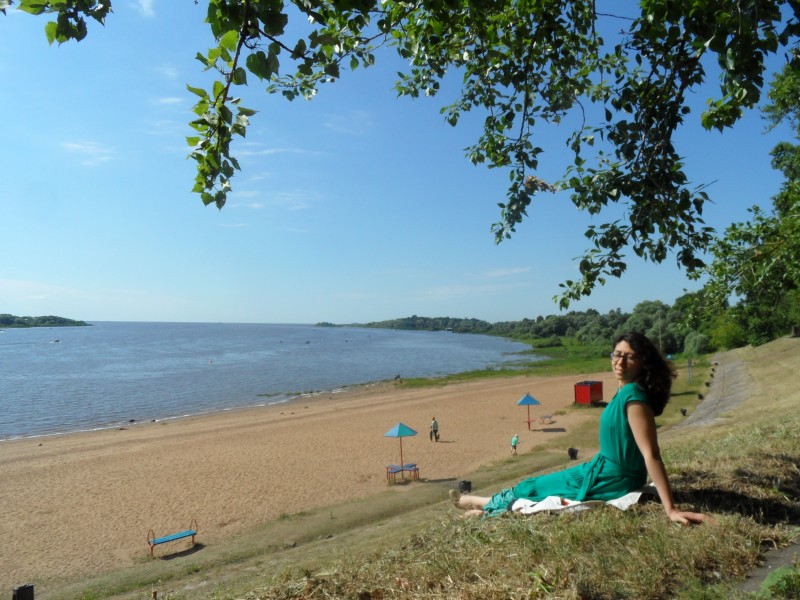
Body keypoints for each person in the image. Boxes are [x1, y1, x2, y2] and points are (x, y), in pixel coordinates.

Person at [449, 332, 712, 525]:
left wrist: (671, 509)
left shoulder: (634, 398)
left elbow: (651, 455)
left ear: (643, 363)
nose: (620, 362)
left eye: (629, 357)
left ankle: (479, 503)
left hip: (612, 479)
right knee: (539, 485)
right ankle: (484, 506)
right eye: (617, 355)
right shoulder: (626, 391)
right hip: (602, 469)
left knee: (532, 487)